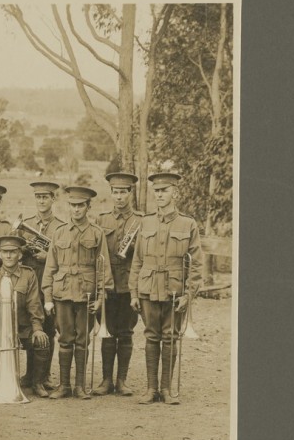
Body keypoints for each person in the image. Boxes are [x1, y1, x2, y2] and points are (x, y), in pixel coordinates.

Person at [130, 171, 204, 405]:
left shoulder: (188, 224)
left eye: (165, 190)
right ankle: (151, 388)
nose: (160, 195)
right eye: (157, 191)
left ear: (175, 192)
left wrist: (189, 294)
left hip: (175, 291)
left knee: (170, 338)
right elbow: (137, 261)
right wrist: (133, 292)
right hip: (148, 288)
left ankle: (166, 389)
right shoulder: (146, 222)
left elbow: (197, 264)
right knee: (151, 337)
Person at [43, 186, 112, 399]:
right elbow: (50, 267)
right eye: (72, 205)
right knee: (65, 339)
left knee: (83, 340)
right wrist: (47, 298)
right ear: (68, 206)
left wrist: (101, 297)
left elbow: (103, 268)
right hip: (62, 294)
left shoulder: (96, 233)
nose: (76, 210)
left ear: (88, 207)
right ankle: (64, 386)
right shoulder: (59, 232)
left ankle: (80, 386)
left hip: (86, 295)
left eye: (80, 205)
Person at [0, 234, 51, 396]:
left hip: (23, 328)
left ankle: (37, 382)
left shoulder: (29, 275)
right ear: (0, 254)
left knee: (42, 342)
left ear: (20, 254)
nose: (9, 255)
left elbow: (34, 304)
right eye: (5, 252)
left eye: (13, 252)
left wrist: (37, 328)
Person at [92, 172, 143, 396]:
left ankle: (121, 380)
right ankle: (105, 380)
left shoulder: (141, 221)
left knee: (126, 332)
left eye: (123, 192)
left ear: (130, 193)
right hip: (106, 284)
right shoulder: (102, 220)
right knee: (107, 332)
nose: (119, 197)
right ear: (110, 193)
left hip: (129, 285)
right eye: (116, 192)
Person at [18, 180, 66, 389]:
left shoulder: (61, 227)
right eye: (38, 197)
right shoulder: (26, 224)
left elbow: (64, 257)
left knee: (48, 328)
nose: (41, 201)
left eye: (45, 197)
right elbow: (15, 253)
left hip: (50, 283)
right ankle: (30, 374)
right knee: (30, 327)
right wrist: (25, 250)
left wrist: (48, 256)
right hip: (29, 282)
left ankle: (44, 375)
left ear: (53, 199)